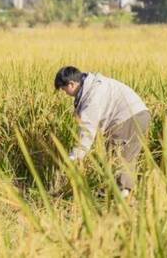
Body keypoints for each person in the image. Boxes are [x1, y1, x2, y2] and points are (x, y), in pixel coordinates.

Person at [54, 66, 151, 197]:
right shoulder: (92, 85)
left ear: (71, 84)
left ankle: (122, 195)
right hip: (138, 115)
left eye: (63, 89)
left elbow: (87, 131)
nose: (64, 93)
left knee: (119, 157)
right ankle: (118, 192)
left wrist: (75, 157)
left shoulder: (92, 97)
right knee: (121, 155)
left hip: (129, 118)